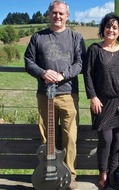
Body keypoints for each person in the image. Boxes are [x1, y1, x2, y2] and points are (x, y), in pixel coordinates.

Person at [24, 0, 86, 189]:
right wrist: (43, 73)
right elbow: (28, 61)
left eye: (61, 13)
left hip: (68, 94)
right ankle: (47, 173)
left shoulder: (75, 36)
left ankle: (70, 177)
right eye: (54, 13)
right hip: (44, 95)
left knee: (70, 138)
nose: (57, 16)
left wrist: (62, 75)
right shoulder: (38, 37)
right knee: (46, 138)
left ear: (67, 16)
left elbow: (80, 63)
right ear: (49, 14)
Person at [83, 12, 119, 189]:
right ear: (103, 29)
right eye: (108, 26)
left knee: (117, 142)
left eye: (114, 27)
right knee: (105, 140)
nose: (110, 30)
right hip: (101, 102)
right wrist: (93, 96)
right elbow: (87, 74)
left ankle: (113, 174)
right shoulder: (94, 50)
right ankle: (103, 173)